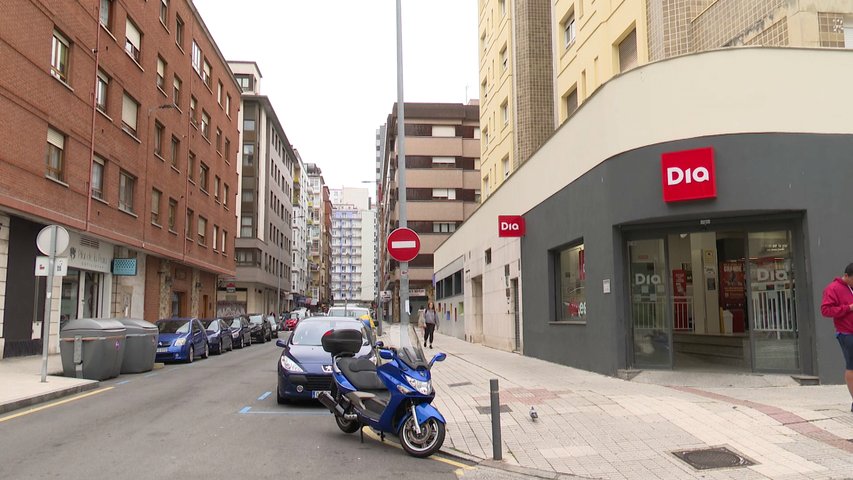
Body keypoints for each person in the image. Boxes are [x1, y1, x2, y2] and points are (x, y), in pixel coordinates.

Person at [820, 262, 853, 413]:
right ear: (846, 276)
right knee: (852, 365)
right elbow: (826, 310)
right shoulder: (833, 288)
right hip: (846, 333)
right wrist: (848, 308)